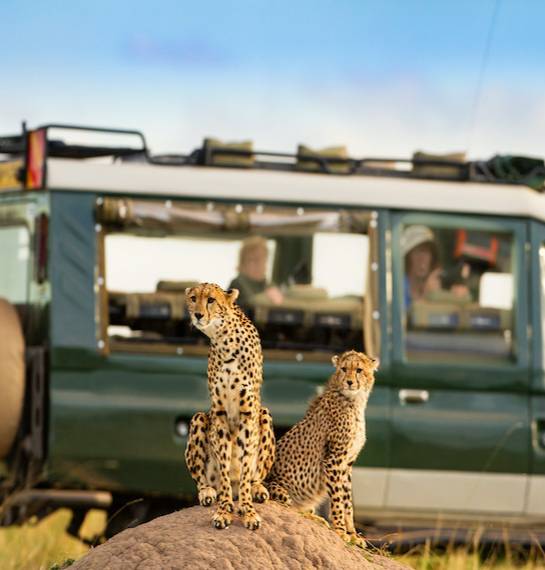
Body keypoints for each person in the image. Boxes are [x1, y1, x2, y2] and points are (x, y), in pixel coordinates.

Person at [401, 225, 469, 308]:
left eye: (426, 252)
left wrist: (456, 299)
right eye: (418, 252)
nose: (422, 258)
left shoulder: (437, 283)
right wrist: (427, 297)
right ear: (407, 258)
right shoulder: (398, 288)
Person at [229, 236, 284, 307]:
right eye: (253, 260)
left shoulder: (268, 285)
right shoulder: (237, 284)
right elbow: (249, 305)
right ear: (242, 264)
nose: (258, 265)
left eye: (262, 259)